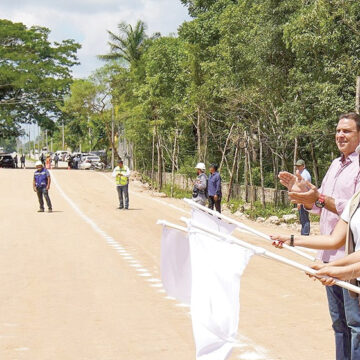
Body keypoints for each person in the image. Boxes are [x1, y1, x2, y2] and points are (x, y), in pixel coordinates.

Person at [278, 112, 360, 360]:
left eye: (346, 130)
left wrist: (319, 199)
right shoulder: (336, 165)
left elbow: (352, 209)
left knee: (355, 325)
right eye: (337, 130)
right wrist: (303, 193)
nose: (340, 135)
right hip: (329, 256)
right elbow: (320, 203)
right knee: (339, 325)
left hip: (349, 258)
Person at [295, 159, 312, 235]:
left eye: (299, 166)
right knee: (303, 218)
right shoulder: (303, 173)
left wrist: (299, 201)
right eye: (297, 166)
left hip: (304, 198)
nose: (297, 167)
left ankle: (305, 234)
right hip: (305, 197)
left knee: (304, 218)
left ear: (303, 166)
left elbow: (303, 189)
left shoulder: (304, 174)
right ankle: (304, 234)